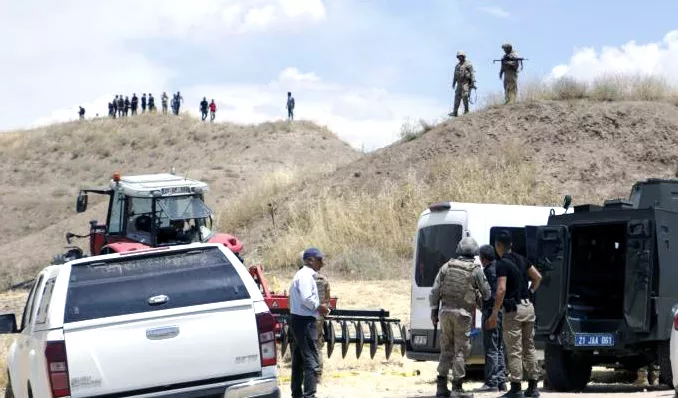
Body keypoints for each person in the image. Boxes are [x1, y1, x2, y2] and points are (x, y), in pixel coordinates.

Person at [430, 235, 491, 398]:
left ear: (459, 250)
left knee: (446, 349)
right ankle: (457, 388)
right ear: (475, 253)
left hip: (445, 313)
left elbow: (435, 291)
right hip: (463, 315)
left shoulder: (446, 266)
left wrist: (434, 312)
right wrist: (477, 295)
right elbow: (487, 294)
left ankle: (441, 387)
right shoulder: (475, 270)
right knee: (460, 351)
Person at [486, 230, 542, 398]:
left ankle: (516, 388)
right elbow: (538, 277)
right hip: (528, 308)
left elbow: (501, 289)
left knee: (514, 349)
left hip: (514, 311)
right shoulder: (522, 259)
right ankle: (533, 386)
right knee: (529, 347)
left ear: (498, 245)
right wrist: (530, 292)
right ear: (511, 244)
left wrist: (494, 313)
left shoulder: (501, 263)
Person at [289, 247, 330, 398]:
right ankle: (309, 395)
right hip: (305, 322)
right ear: (310, 260)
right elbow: (307, 298)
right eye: (320, 260)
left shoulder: (302, 275)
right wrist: (320, 308)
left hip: (298, 320)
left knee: (299, 360)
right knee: (312, 360)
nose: (322, 263)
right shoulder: (306, 276)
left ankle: (297, 394)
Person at [477, 244, 507, 392]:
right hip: (500, 310)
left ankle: (491, 382)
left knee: (491, 348)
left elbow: (487, 294)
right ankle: (501, 381)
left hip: (491, 311)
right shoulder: (499, 267)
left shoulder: (488, 271)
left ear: (483, 258)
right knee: (499, 346)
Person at [450, 51, 476, 118]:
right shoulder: (457, 66)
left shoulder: (468, 64)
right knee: (457, 97)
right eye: (458, 56)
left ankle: (466, 110)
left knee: (465, 95)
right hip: (459, 83)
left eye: (460, 56)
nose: (459, 57)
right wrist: (453, 83)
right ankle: (455, 112)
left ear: (463, 56)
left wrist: (473, 82)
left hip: (465, 82)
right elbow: (455, 75)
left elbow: (472, 73)